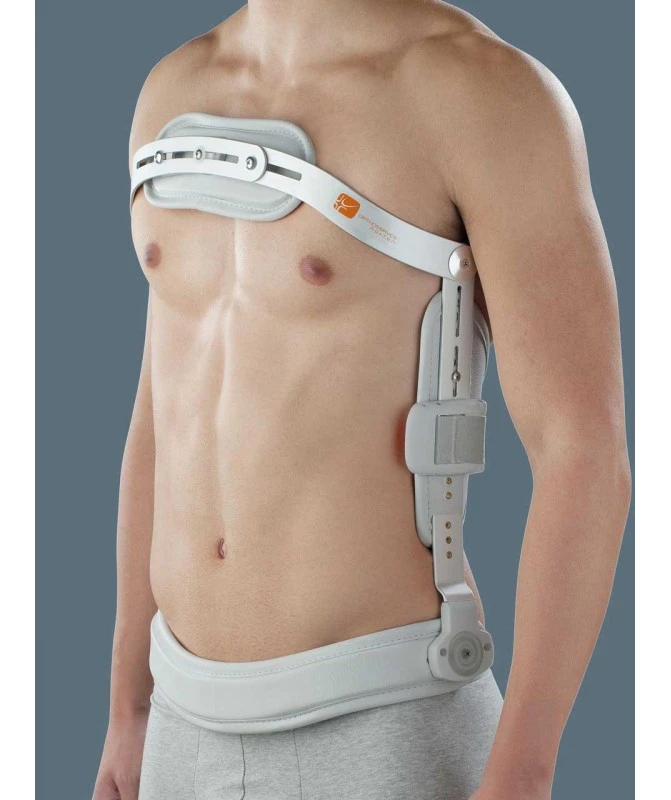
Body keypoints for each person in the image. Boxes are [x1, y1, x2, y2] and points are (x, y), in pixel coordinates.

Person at [92, 2, 631, 799]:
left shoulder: (479, 91)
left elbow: (581, 449)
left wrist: (522, 770)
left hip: (383, 721)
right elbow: (159, 416)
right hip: (177, 720)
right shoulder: (173, 88)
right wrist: (128, 706)